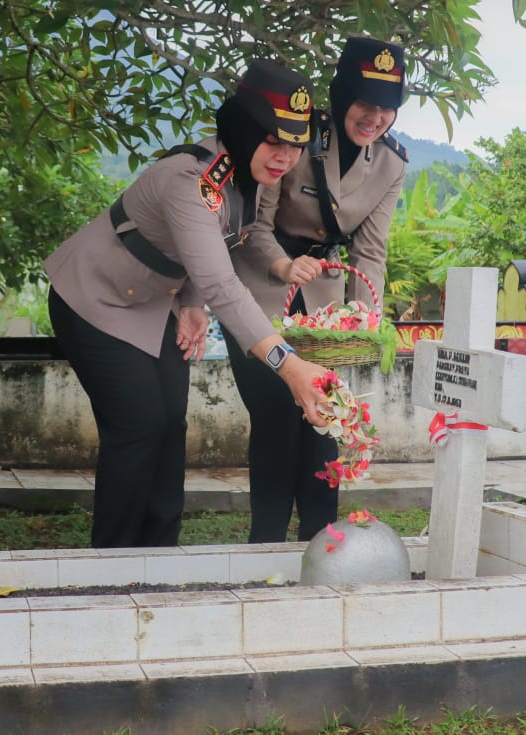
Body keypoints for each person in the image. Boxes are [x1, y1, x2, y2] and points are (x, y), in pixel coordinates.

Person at [43, 60, 331, 549]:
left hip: (159, 302)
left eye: (295, 144)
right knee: (138, 423)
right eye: (274, 141)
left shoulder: (246, 175)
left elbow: (217, 247)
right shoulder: (191, 180)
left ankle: (158, 555)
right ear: (243, 129)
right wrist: (289, 364)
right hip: (92, 297)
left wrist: (191, 303)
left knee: (170, 424)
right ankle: (110, 563)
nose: (285, 157)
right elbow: (221, 280)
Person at [227, 37, 409, 543]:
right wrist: (284, 266)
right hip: (261, 285)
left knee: (323, 422)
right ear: (342, 95)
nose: (374, 118)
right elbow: (254, 224)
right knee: (274, 416)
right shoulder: (298, 135)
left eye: (387, 108)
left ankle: (319, 544)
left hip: (323, 303)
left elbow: (369, 254)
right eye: (365, 103)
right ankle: (264, 542)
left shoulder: (391, 164)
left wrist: (365, 323)